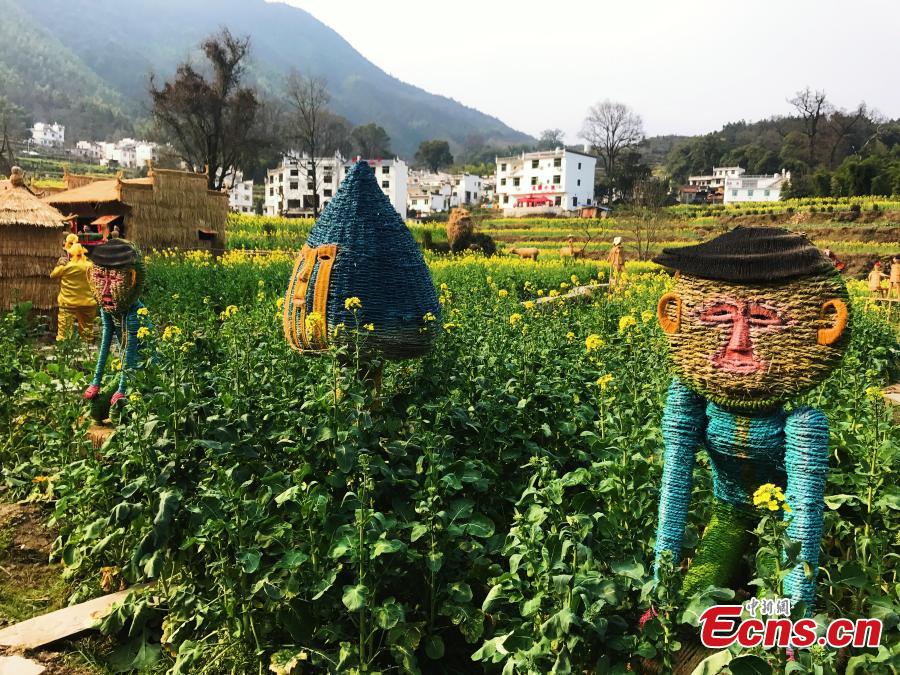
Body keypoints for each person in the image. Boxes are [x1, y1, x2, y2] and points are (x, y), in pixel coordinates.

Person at [50, 239, 97, 342]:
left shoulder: (66, 266)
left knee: (64, 329)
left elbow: (52, 275)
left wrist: (59, 264)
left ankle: (64, 346)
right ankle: (87, 344)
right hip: (88, 302)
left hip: (68, 303)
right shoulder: (91, 266)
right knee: (87, 328)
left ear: (71, 254)